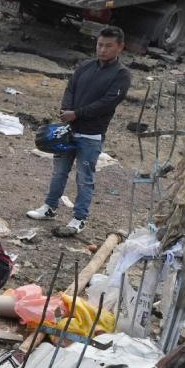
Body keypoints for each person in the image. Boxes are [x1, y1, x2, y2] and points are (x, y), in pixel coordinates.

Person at [26, 25, 132, 239]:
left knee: (85, 178)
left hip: (91, 135)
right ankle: (49, 207)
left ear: (120, 47)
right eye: (100, 45)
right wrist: (66, 109)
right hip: (69, 131)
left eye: (108, 46)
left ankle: (79, 218)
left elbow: (108, 102)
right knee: (59, 171)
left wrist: (78, 113)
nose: (102, 50)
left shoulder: (122, 75)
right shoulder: (85, 66)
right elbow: (70, 88)